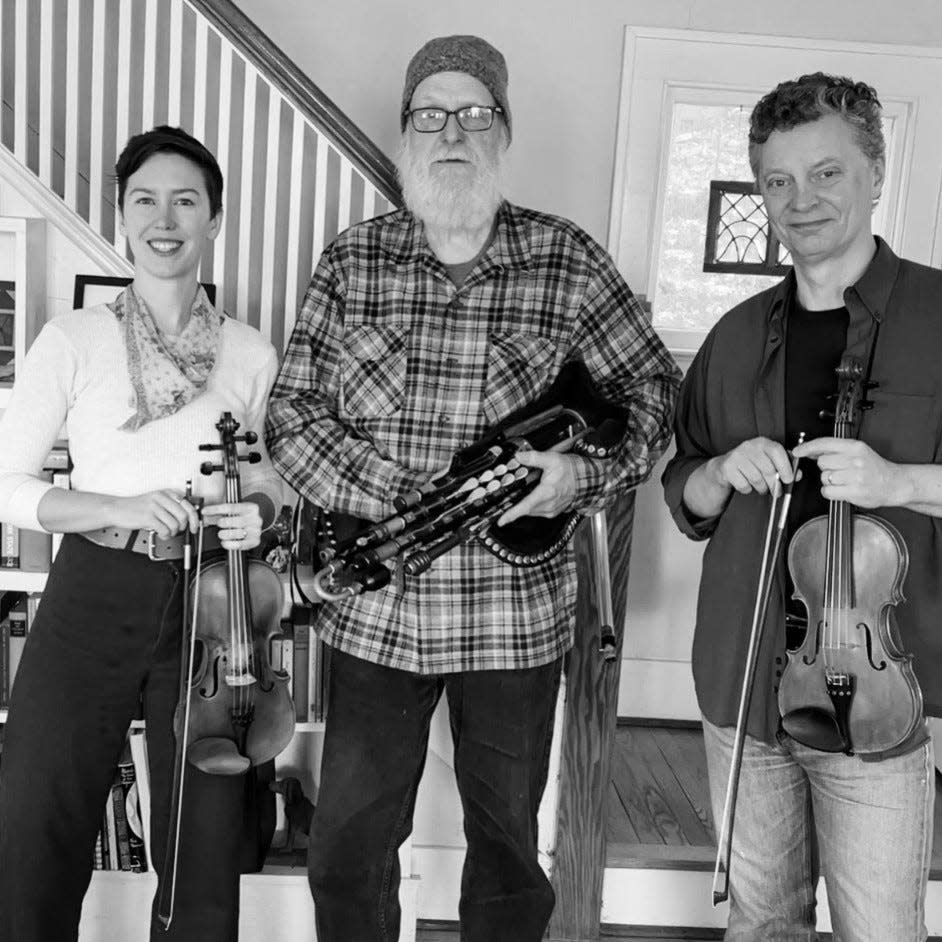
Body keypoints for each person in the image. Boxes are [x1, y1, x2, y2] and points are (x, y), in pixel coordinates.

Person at [265, 34, 680, 942]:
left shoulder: (565, 261)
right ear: (406, 130)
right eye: (431, 114)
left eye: (474, 113)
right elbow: (290, 418)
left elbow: (653, 390)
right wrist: (405, 493)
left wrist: (582, 474)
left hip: (513, 620)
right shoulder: (354, 262)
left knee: (505, 852)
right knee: (347, 851)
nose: (452, 130)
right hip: (376, 614)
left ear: (503, 129)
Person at [663, 72, 942, 941]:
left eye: (826, 173)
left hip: (882, 699)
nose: (800, 200)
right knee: (761, 924)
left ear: (874, 171)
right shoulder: (735, 334)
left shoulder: (941, 315)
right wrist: (721, 472)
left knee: (879, 931)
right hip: (743, 690)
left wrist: (901, 484)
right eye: (777, 181)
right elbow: (686, 490)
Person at [0, 126, 283, 941]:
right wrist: (114, 507)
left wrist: (256, 511)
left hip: (209, 600)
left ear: (214, 221)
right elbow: (10, 488)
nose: (165, 218)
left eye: (186, 200)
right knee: (36, 811)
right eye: (145, 200)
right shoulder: (74, 340)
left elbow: (265, 474)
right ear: (123, 218)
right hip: (94, 586)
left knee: (206, 830)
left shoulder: (249, 352)